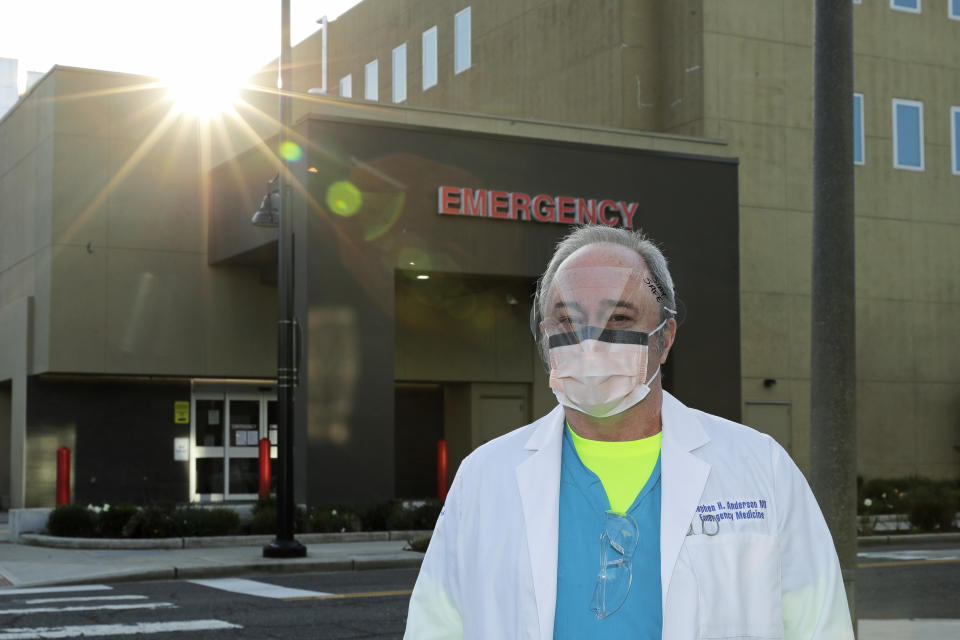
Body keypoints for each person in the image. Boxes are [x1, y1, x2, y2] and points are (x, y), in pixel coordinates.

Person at [404, 226, 854, 639]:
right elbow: (436, 625)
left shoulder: (760, 467)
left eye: (618, 318)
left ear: (665, 337)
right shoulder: (485, 477)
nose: (588, 342)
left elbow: (819, 624)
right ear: (543, 336)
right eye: (566, 320)